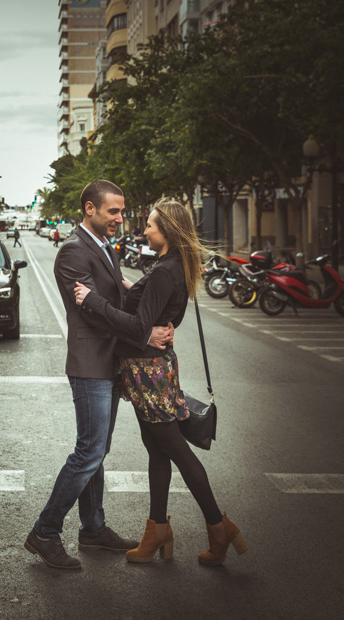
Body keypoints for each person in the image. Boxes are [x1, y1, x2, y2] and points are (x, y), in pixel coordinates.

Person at [74, 199, 248, 567]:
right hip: (150, 370)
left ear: (166, 230)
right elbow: (162, 314)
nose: (145, 230)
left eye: (151, 225)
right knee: (156, 449)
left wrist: (93, 301)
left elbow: (139, 326)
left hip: (148, 372)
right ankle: (157, 530)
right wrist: (131, 287)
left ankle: (219, 526)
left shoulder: (164, 272)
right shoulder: (170, 268)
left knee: (177, 451)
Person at [24, 180, 173, 570]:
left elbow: (117, 299)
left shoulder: (104, 247)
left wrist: (146, 316)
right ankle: (45, 530)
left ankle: (93, 529)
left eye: (122, 212)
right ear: (90, 209)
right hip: (90, 363)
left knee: (97, 450)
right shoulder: (73, 251)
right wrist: (144, 331)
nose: (120, 219)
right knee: (89, 450)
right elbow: (96, 308)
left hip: (109, 362)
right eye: (113, 211)